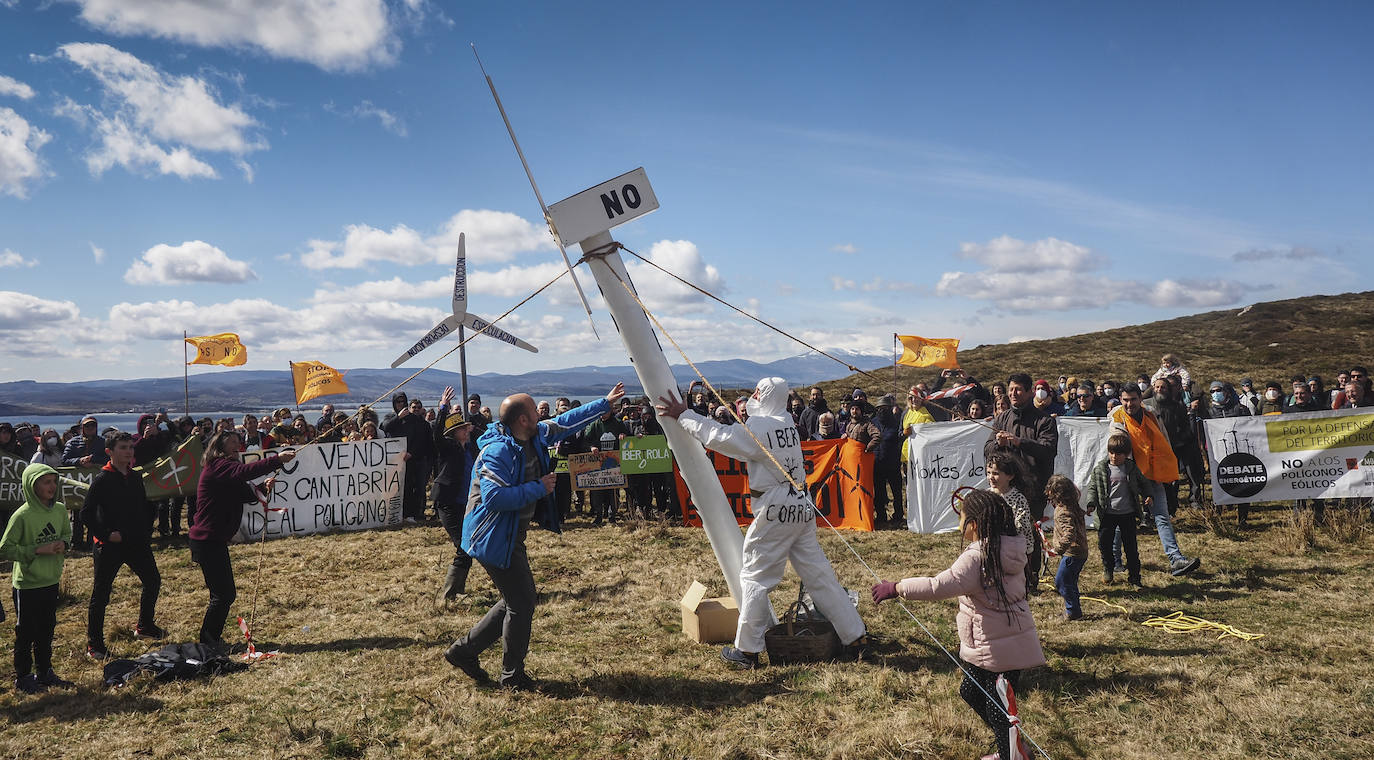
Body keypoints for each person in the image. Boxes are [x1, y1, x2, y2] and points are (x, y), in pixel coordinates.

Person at [658, 379, 868, 668]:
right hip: (801, 505)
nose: (753, 396)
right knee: (819, 576)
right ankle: (855, 637)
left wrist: (684, 415)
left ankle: (747, 650)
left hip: (776, 509)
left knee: (755, 577)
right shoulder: (786, 423)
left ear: (764, 395)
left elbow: (720, 437)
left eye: (758, 392)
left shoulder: (761, 427)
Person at [444, 382, 625, 690]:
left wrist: (604, 404)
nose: (542, 418)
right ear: (523, 420)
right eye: (533, 412)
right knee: (522, 602)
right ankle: (511, 676)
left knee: (515, 599)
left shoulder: (535, 434)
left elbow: (567, 422)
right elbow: (494, 498)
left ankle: (465, 651)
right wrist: (539, 487)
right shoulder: (497, 451)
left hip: (509, 532)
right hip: (492, 536)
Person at [871, 489, 1043, 760]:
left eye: (961, 518)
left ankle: (1013, 754)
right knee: (971, 691)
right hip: (1002, 642)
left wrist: (897, 587)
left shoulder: (979, 555)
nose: (960, 524)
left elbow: (939, 585)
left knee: (996, 706)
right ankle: (1010, 744)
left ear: (973, 524)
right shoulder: (1010, 547)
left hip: (996, 649)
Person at [190, 430, 295, 647]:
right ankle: (208, 641)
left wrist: (263, 487)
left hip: (213, 540)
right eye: (232, 443)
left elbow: (246, 493)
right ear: (218, 447)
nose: (237, 446)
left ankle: (211, 638)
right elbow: (245, 472)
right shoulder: (219, 465)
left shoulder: (226, 471)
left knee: (223, 593)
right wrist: (277, 459)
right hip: (207, 540)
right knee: (223, 594)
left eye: (239, 442)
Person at [81, 432, 165, 660]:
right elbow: (86, 513)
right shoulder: (102, 479)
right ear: (110, 451)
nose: (129, 451)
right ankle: (95, 644)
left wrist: (147, 526)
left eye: (130, 447)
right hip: (109, 546)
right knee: (101, 594)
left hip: (136, 542)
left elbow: (142, 505)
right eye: (123, 447)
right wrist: (107, 534)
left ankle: (145, 626)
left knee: (153, 581)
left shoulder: (135, 476)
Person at [1110, 384, 1201, 578]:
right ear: (1120, 399)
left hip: (1151, 474)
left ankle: (1176, 559)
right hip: (1127, 477)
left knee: (1162, 516)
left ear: (1140, 399)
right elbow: (1116, 448)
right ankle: (1114, 560)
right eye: (1125, 400)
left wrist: (1166, 466)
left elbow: (1163, 440)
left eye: (1133, 399)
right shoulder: (1116, 419)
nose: (1129, 404)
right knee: (1121, 520)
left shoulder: (1150, 415)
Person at [1, 463, 75, 693]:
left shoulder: (60, 509)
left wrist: (64, 543)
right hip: (28, 585)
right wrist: (35, 550)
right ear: (32, 486)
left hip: (51, 580)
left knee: (47, 629)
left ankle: (45, 672)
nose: (52, 486)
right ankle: (23, 677)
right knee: (26, 632)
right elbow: (4, 549)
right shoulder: (22, 515)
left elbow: (66, 534)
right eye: (46, 482)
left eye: (54, 481)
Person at [984, 373, 1058, 534]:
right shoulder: (1002, 419)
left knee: (1029, 534)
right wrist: (998, 444)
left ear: (1029, 392)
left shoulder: (1044, 421)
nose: (1013, 394)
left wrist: (1020, 442)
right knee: (1003, 534)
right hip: (1005, 489)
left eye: (1018, 390)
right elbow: (987, 450)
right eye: (1011, 390)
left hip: (1034, 491)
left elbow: (1048, 450)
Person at [1084, 433, 1148, 585]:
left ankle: (1134, 577)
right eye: (1111, 452)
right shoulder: (1101, 469)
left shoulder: (1131, 468)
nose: (1114, 456)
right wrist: (1091, 503)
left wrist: (1148, 495)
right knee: (1104, 545)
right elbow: (1093, 487)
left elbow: (1144, 483)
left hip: (1128, 514)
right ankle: (1108, 569)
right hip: (1107, 515)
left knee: (1131, 547)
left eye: (1118, 454)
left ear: (1126, 455)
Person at [431, 387, 474, 600]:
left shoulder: (469, 450)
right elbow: (437, 433)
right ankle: (449, 595)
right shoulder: (447, 447)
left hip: (463, 504)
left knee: (467, 548)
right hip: (448, 502)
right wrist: (443, 407)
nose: (467, 430)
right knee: (464, 547)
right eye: (463, 429)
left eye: (467, 427)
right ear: (454, 433)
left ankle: (455, 592)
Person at [985, 452, 1037, 595]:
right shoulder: (987, 495)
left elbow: (1022, 525)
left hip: (1016, 548)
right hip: (993, 545)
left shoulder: (1018, 498)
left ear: (1010, 476)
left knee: (1014, 582)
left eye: (995, 473)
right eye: (988, 472)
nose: (990, 477)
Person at [382, 391, 435, 523]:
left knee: (411, 487)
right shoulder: (391, 417)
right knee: (395, 488)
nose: (401, 404)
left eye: (403, 402)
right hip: (394, 460)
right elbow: (386, 428)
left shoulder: (415, 420)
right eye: (398, 402)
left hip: (411, 459)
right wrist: (398, 418)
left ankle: (410, 514)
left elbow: (421, 439)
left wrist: (411, 452)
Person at [1047, 474, 1088, 620]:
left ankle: (1073, 612)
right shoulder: (1073, 506)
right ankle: (1074, 609)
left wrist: (1057, 549)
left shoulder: (1064, 511)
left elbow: (1069, 534)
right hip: (1080, 552)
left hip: (1073, 554)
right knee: (1070, 581)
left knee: (1062, 581)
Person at [583, 401, 629, 525]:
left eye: (606, 411)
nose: (603, 414)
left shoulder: (618, 423)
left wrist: (623, 436)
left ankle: (612, 515)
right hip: (598, 463)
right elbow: (586, 441)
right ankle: (598, 515)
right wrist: (591, 447)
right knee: (598, 490)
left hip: (615, 462)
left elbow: (628, 438)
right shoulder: (594, 424)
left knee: (613, 491)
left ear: (611, 411)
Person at [872, 394, 905, 526]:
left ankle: (898, 514)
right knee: (879, 492)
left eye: (885, 407)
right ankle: (881, 515)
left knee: (897, 492)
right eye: (880, 408)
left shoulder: (897, 422)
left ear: (890, 408)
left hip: (893, 463)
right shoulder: (872, 422)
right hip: (877, 463)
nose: (882, 410)